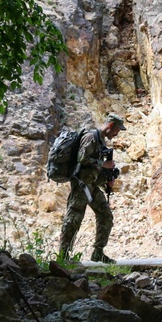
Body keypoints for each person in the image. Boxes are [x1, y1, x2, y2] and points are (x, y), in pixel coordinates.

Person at [58, 113, 126, 263]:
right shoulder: (90, 137)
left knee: (106, 216)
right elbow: (81, 158)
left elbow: (94, 167)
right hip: (81, 185)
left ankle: (98, 253)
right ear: (110, 126)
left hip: (92, 185)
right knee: (73, 219)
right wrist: (103, 164)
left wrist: (107, 179)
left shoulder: (101, 141)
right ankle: (63, 257)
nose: (116, 134)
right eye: (117, 130)